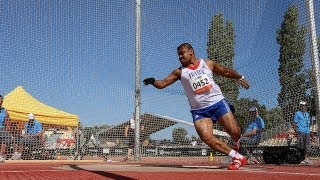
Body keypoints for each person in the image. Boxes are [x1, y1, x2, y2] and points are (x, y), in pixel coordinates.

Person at [143, 43, 250, 170]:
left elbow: (225, 71)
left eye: (182, 53)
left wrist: (239, 77)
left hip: (218, 103)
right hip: (199, 110)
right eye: (178, 55)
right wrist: (153, 81)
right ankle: (237, 156)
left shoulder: (207, 63)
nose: (180, 57)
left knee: (235, 132)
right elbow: (163, 83)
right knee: (206, 137)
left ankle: (236, 142)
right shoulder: (179, 72)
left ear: (191, 51)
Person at [0, 95, 13, 161]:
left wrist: (8, 129)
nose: (0, 102)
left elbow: (8, 121)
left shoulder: (4, 111)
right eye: (0, 101)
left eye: (2, 101)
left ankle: (1, 155)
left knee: (6, 137)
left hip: (1, 129)